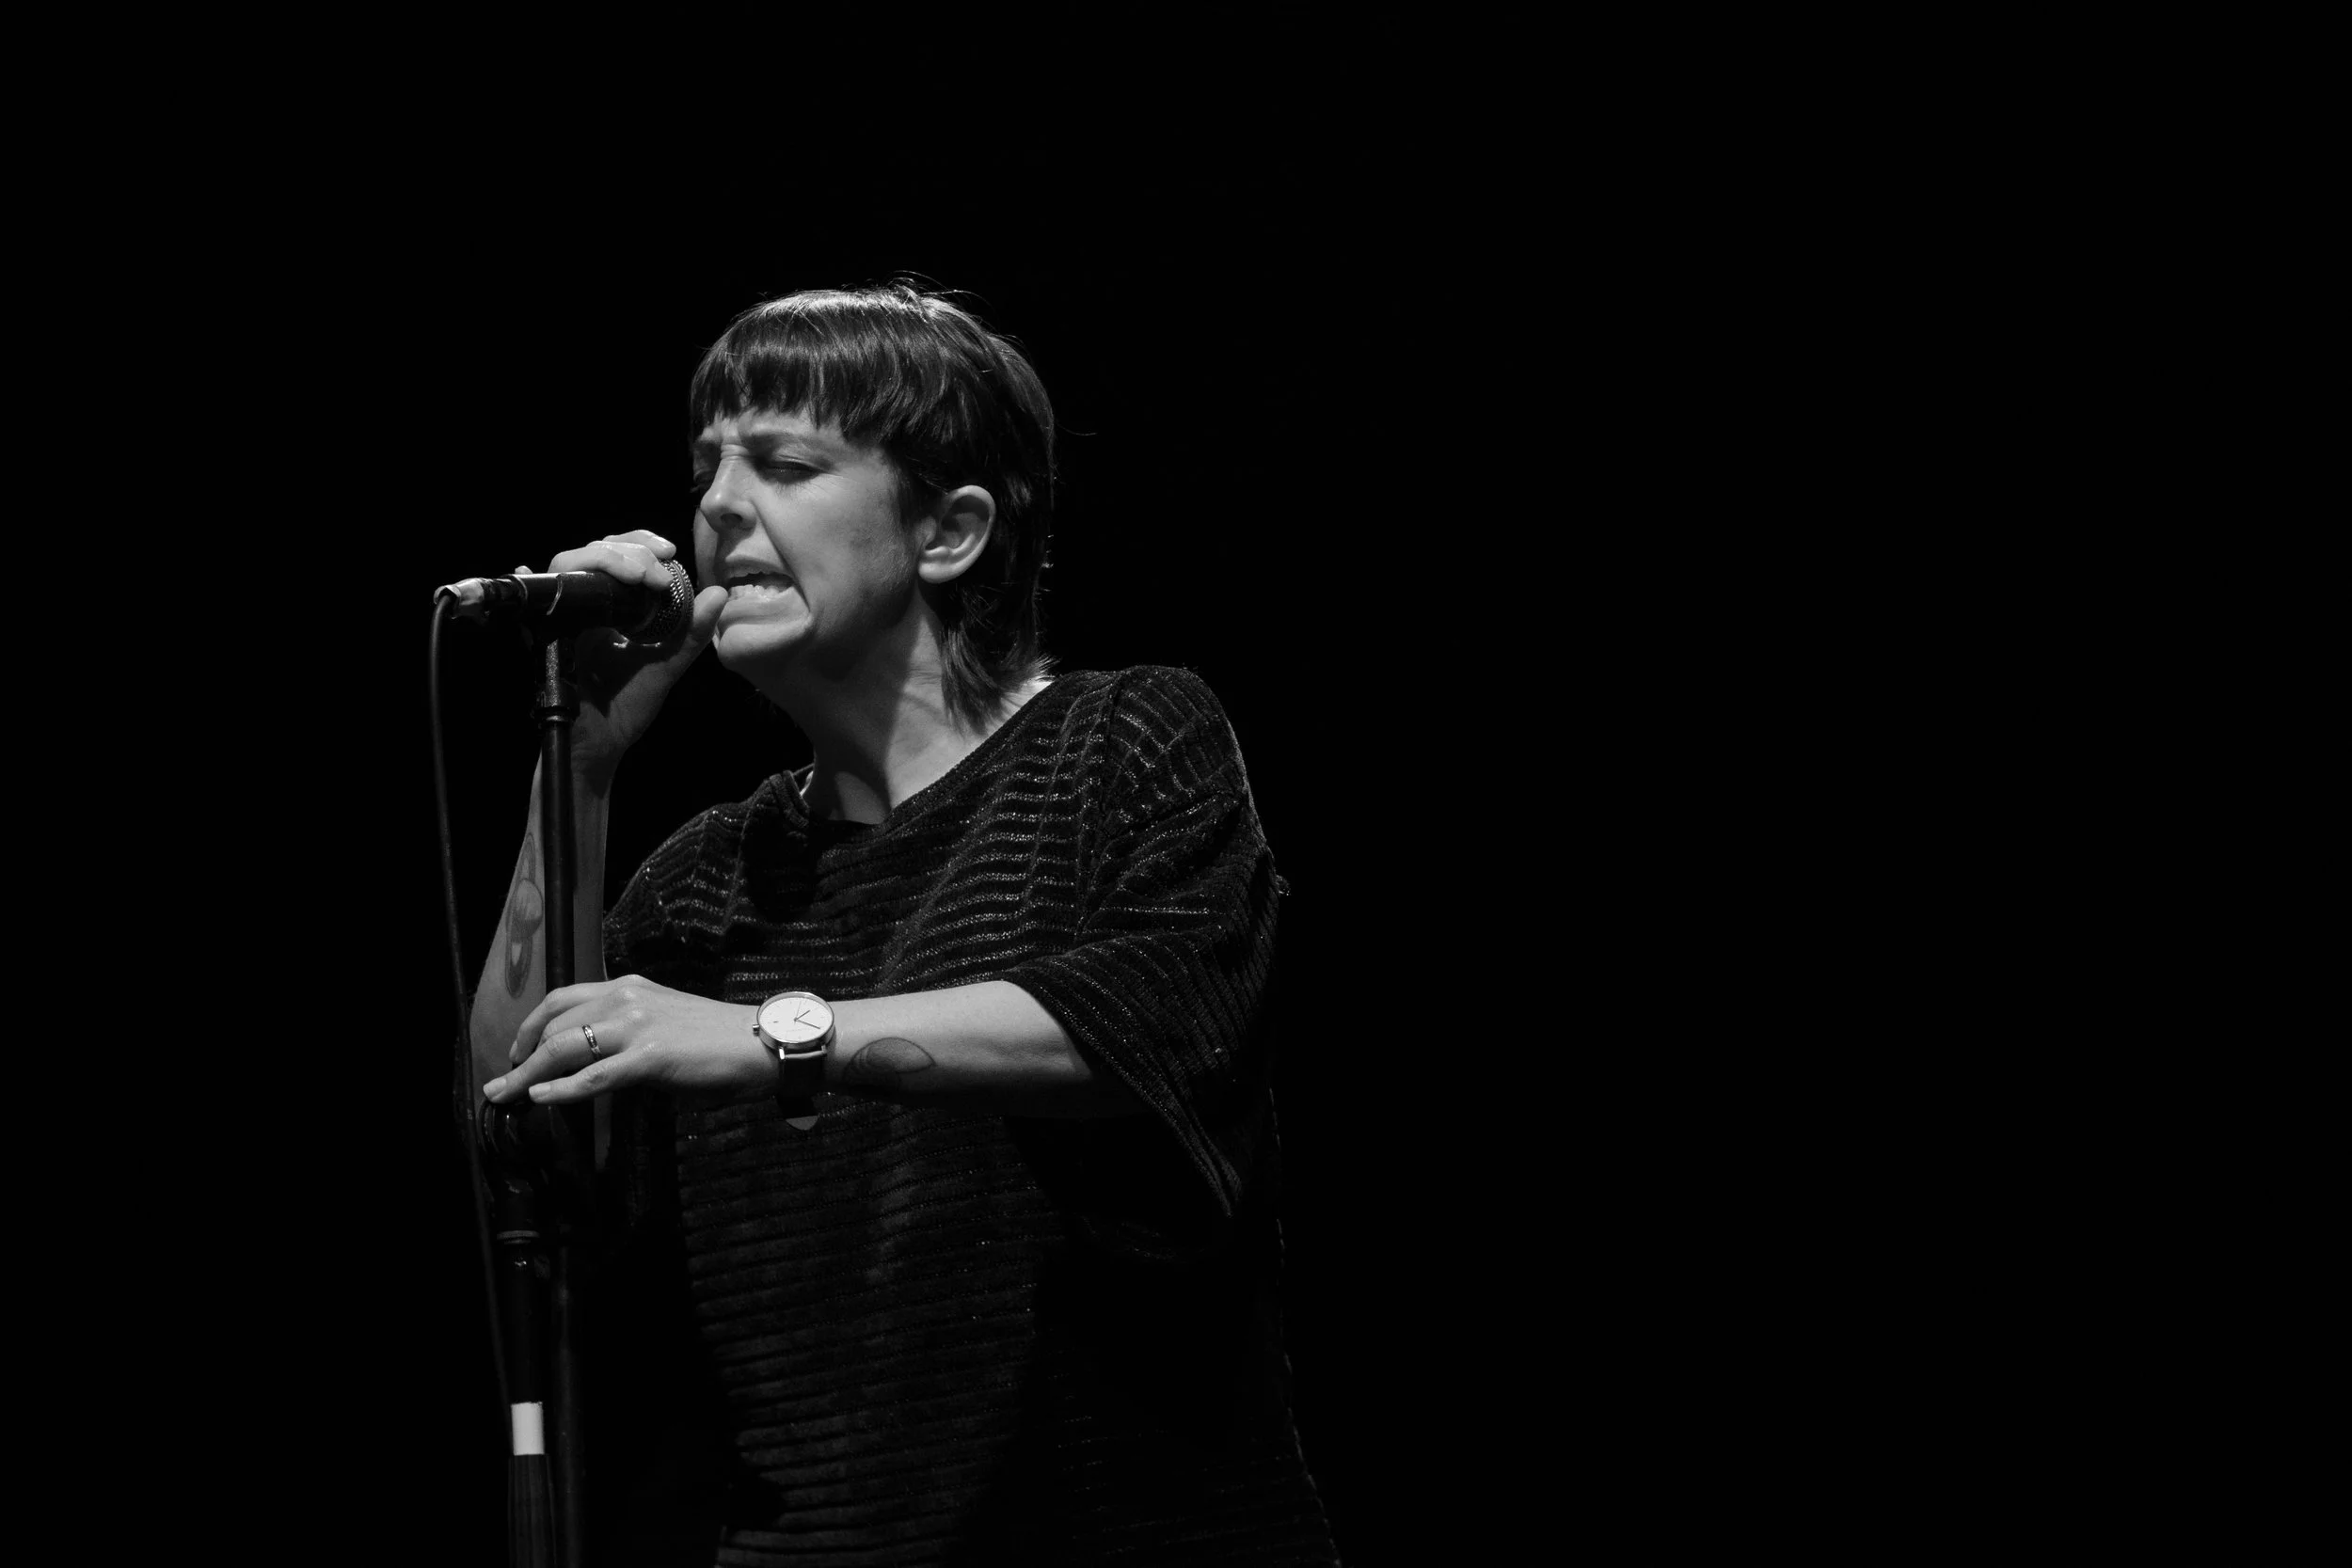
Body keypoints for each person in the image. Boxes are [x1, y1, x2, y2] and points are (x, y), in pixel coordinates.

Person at [470, 281, 1339, 1564]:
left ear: (949, 529)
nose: (715, 506)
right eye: (708, 463)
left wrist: (768, 1034)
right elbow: (518, 1150)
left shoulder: (1122, 744)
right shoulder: (702, 881)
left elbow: (1155, 1027)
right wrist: (580, 774)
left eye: (785, 463)